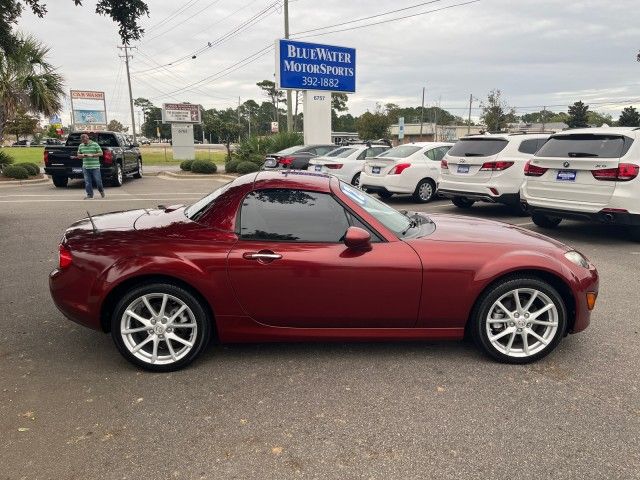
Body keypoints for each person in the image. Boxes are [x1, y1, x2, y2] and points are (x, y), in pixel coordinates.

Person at [77, 133, 105, 199]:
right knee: (87, 182)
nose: (84, 142)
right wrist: (81, 155)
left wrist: (92, 155)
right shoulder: (81, 145)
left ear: (88, 138)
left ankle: (101, 190)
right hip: (86, 167)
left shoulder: (95, 144)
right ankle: (90, 195)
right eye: (82, 141)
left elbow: (101, 153)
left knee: (98, 181)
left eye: (85, 140)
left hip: (95, 166)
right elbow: (78, 155)